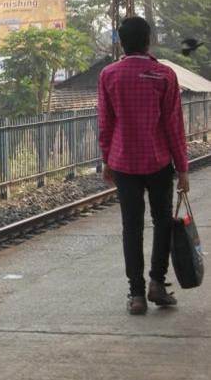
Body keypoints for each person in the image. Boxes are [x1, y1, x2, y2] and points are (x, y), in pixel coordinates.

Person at [98, 16, 190, 315]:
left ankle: (136, 295)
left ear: (121, 43)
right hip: (159, 160)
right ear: (148, 40)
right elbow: (174, 126)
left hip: (124, 162)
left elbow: (106, 124)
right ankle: (157, 284)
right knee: (162, 221)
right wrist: (184, 169)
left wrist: (107, 160)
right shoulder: (164, 75)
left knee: (131, 227)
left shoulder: (109, 75)